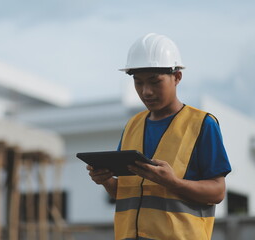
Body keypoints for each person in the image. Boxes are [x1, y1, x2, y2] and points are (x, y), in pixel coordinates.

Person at [87, 33, 231, 240]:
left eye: (155, 82)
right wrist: (106, 180)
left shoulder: (202, 124)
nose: (146, 91)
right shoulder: (132, 126)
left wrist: (173, 182)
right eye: (138, 83)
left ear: (177, 77)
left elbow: (217, 192)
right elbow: (127, 193)